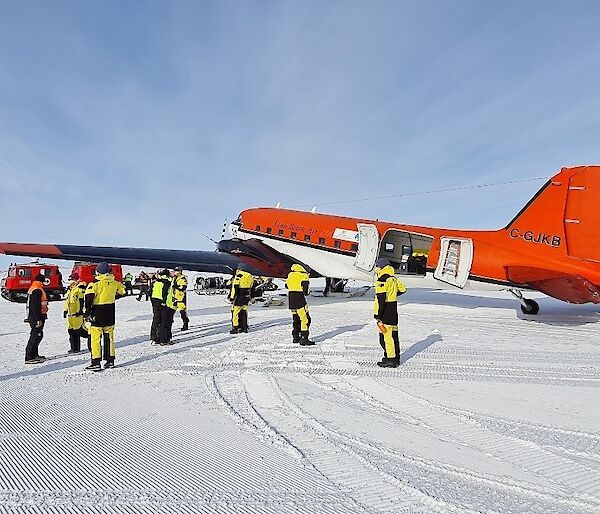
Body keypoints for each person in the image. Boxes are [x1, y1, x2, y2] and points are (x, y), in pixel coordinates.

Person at [84, 262, 126, 371]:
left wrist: (87, 313)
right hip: (110, 312)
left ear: (98, 272)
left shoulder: (94, 284)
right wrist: (112, 296)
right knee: (109, 338)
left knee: (95, 339)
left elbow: (89, 298)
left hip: (97, 313)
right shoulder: (115, 282)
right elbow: (123, 291)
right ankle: (110, 360)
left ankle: (96, 362)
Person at [373, 258, 407, 368]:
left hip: (385, 312)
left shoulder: (382, 280)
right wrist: (392, 295)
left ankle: (390, 359)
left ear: (381, 267)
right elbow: (403, 289)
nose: (375, 268)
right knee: (394, 336)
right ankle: (395, 357)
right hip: (393, 310)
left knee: (386, 338)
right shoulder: (393, 278)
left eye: (376, 266)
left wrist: (378, 315)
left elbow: (381, 299)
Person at [286, 264, 314, 346]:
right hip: (299, 298)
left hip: (291, 298)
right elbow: (305, 290)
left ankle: (295, 337)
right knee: (305, 319)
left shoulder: (290, 274)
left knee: (296, 318)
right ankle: (304, 338)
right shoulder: (304, 275)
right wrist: (306, 292)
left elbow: (286, 285)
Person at [24, 273, 48, 364]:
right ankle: (29, 357)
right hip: (37, 317)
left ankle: (34, 354)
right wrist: (38, 319)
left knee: (38, 335)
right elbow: (35, 305)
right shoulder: (37, 289)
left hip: (35, 316)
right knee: (35, 335)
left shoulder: (34, 287)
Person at [63, 272, 89, 354]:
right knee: (71, 331)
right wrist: (65, 310)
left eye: (72, 279)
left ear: (76, 280)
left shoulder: (79, 290)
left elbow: (81, 301)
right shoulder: (70, 290)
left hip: (77, 314)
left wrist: (80, 311)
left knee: (79, 330)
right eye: (70, 279)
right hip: (70, 315)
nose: (71, 281)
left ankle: (92, 337)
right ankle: (74, 348)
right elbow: (67, 301)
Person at [151, 269, 176, 345]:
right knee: (165, 322)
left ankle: (155, 337)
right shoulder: (167, 282)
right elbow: (165, 293)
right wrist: (164, 302)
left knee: (156, 320)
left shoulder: (156, 282)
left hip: (156, 303)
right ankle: (164, 340)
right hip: (165, 304)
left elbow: (151, 293)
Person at [229, 264, 254, 334]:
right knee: (244, 311)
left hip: (239, 296)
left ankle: (235, 327)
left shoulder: (239, 276)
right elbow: (252, 287)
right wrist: (251, 297)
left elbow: (235, 287)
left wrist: (232, 297)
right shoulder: (250, 276)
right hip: (246, 296)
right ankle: (244, 327)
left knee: (235, 312)